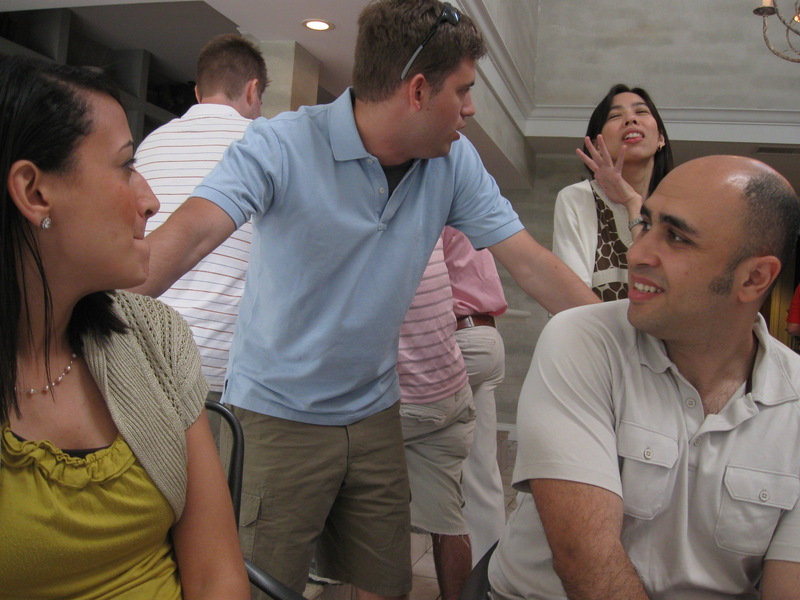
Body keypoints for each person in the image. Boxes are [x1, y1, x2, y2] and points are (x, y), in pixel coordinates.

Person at [131, 1, 599, 597]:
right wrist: (76, 323)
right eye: (463, 90)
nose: (471, 108)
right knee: (261, 586)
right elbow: (191, 235)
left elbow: (531, 263)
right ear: (418, 90)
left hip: (375, 411)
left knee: (384, 583)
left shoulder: (453, 162)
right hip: (277, 413)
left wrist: (626, 340)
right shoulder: (281, 144)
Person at [489, 155, 800, 599]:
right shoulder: (583, 339)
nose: (635, 254)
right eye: (647, 224)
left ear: (754, 278)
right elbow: (586, 564)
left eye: (676, 237)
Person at [0, 55, 248, 599]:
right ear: (34, 192)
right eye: (124, 166)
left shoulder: (155, 340)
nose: (150, 200)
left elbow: (218, 575)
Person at [135, 33, 268, 397]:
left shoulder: (151, 143)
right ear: (253, 90)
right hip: (218, 366)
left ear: (198, 92)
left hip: (141, 352)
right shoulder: (264, 144)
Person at [398, 236, 475, 600]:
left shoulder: (371, 229)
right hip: (450, 388)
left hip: (407, 397)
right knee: (448, 520)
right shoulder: (429, 223)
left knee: (373, 519)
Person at [553, 83, 673, 301]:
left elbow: (675, 290)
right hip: (594, 324)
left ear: (661, 138)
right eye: (615, 116)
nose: (631, 120)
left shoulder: (679, 203)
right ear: (597, 145)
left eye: (641, 112)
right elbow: (570, 298)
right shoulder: (578, 198)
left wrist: (632, 203)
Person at [441, 225, 508, 565]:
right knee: (480, 471)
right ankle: (488, 578)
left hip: (458, 339)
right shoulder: (467, 211)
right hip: (485, 335)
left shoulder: (431, 210)